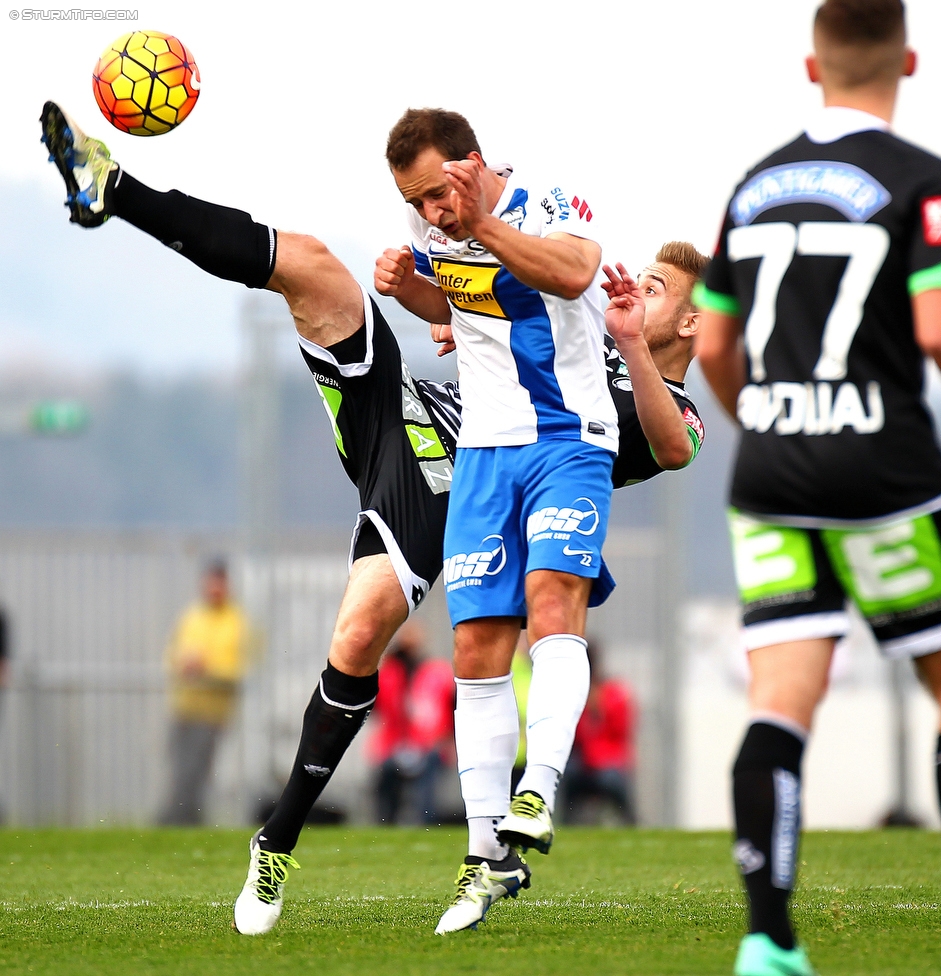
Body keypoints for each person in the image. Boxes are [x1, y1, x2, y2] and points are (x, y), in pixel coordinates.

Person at [39, 99, 704, 934]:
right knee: (316, 266)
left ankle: (283, 836)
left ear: (688, 320)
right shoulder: (578, 308)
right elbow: (494, 305)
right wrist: (428, 297)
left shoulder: (658, 393)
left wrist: (592, 331)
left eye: (656, 289)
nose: (634, 290)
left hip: (476, 484)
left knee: (361, 633)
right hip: (427, 427)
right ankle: (116, 188)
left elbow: (668, 442)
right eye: (640, 279)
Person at [694, 3, 941, 974]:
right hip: (884, 468)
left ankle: (768, 941)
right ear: (908, 58)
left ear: (810, 64)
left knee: (780, 699)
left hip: (768, 470)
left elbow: (715, 343)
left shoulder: (754, 183)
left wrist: (765, 422)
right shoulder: (930, 183)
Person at [377, 106, 706, 930]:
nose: (430, 214)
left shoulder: (549, 203)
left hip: (569, 439)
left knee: (554, 602)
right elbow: (452, 306)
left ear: (472, 164)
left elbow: (569, 276)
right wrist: (408, 281)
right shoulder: (437, 228)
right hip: (486, 453)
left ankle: (541, 789)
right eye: (414, 203)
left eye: (436, 195)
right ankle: (484, 860)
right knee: (475, 647)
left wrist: (481, 224)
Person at [159, 560, 250, 825]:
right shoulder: (192, 616)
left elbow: (238, 666)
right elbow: (172, 655)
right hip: (184, 707)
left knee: (196, 771)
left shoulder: (235, 621)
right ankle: (179, 818)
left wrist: (205, 668)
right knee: (179, 768)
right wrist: (182, 664)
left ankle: (182, 820)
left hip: (212, 711)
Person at [369, 620, 455, 824]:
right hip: (392, 745)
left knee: (426, 789)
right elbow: (375, 707)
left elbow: (451, 707)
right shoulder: (389, 674)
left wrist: (445, 739)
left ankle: (426, 824)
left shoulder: (436, 672)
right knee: (385, 785)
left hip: (429, 745)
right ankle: (385, 823)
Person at [561, 642, 636, 825]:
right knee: (567, 775)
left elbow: (621, 730)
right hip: (583, 764)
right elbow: (572, 734)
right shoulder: (574, 695)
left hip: (608, 761)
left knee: (611, 779)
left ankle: (630, 821)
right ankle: (566, 824)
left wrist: (600, 709)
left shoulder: (614, 692)